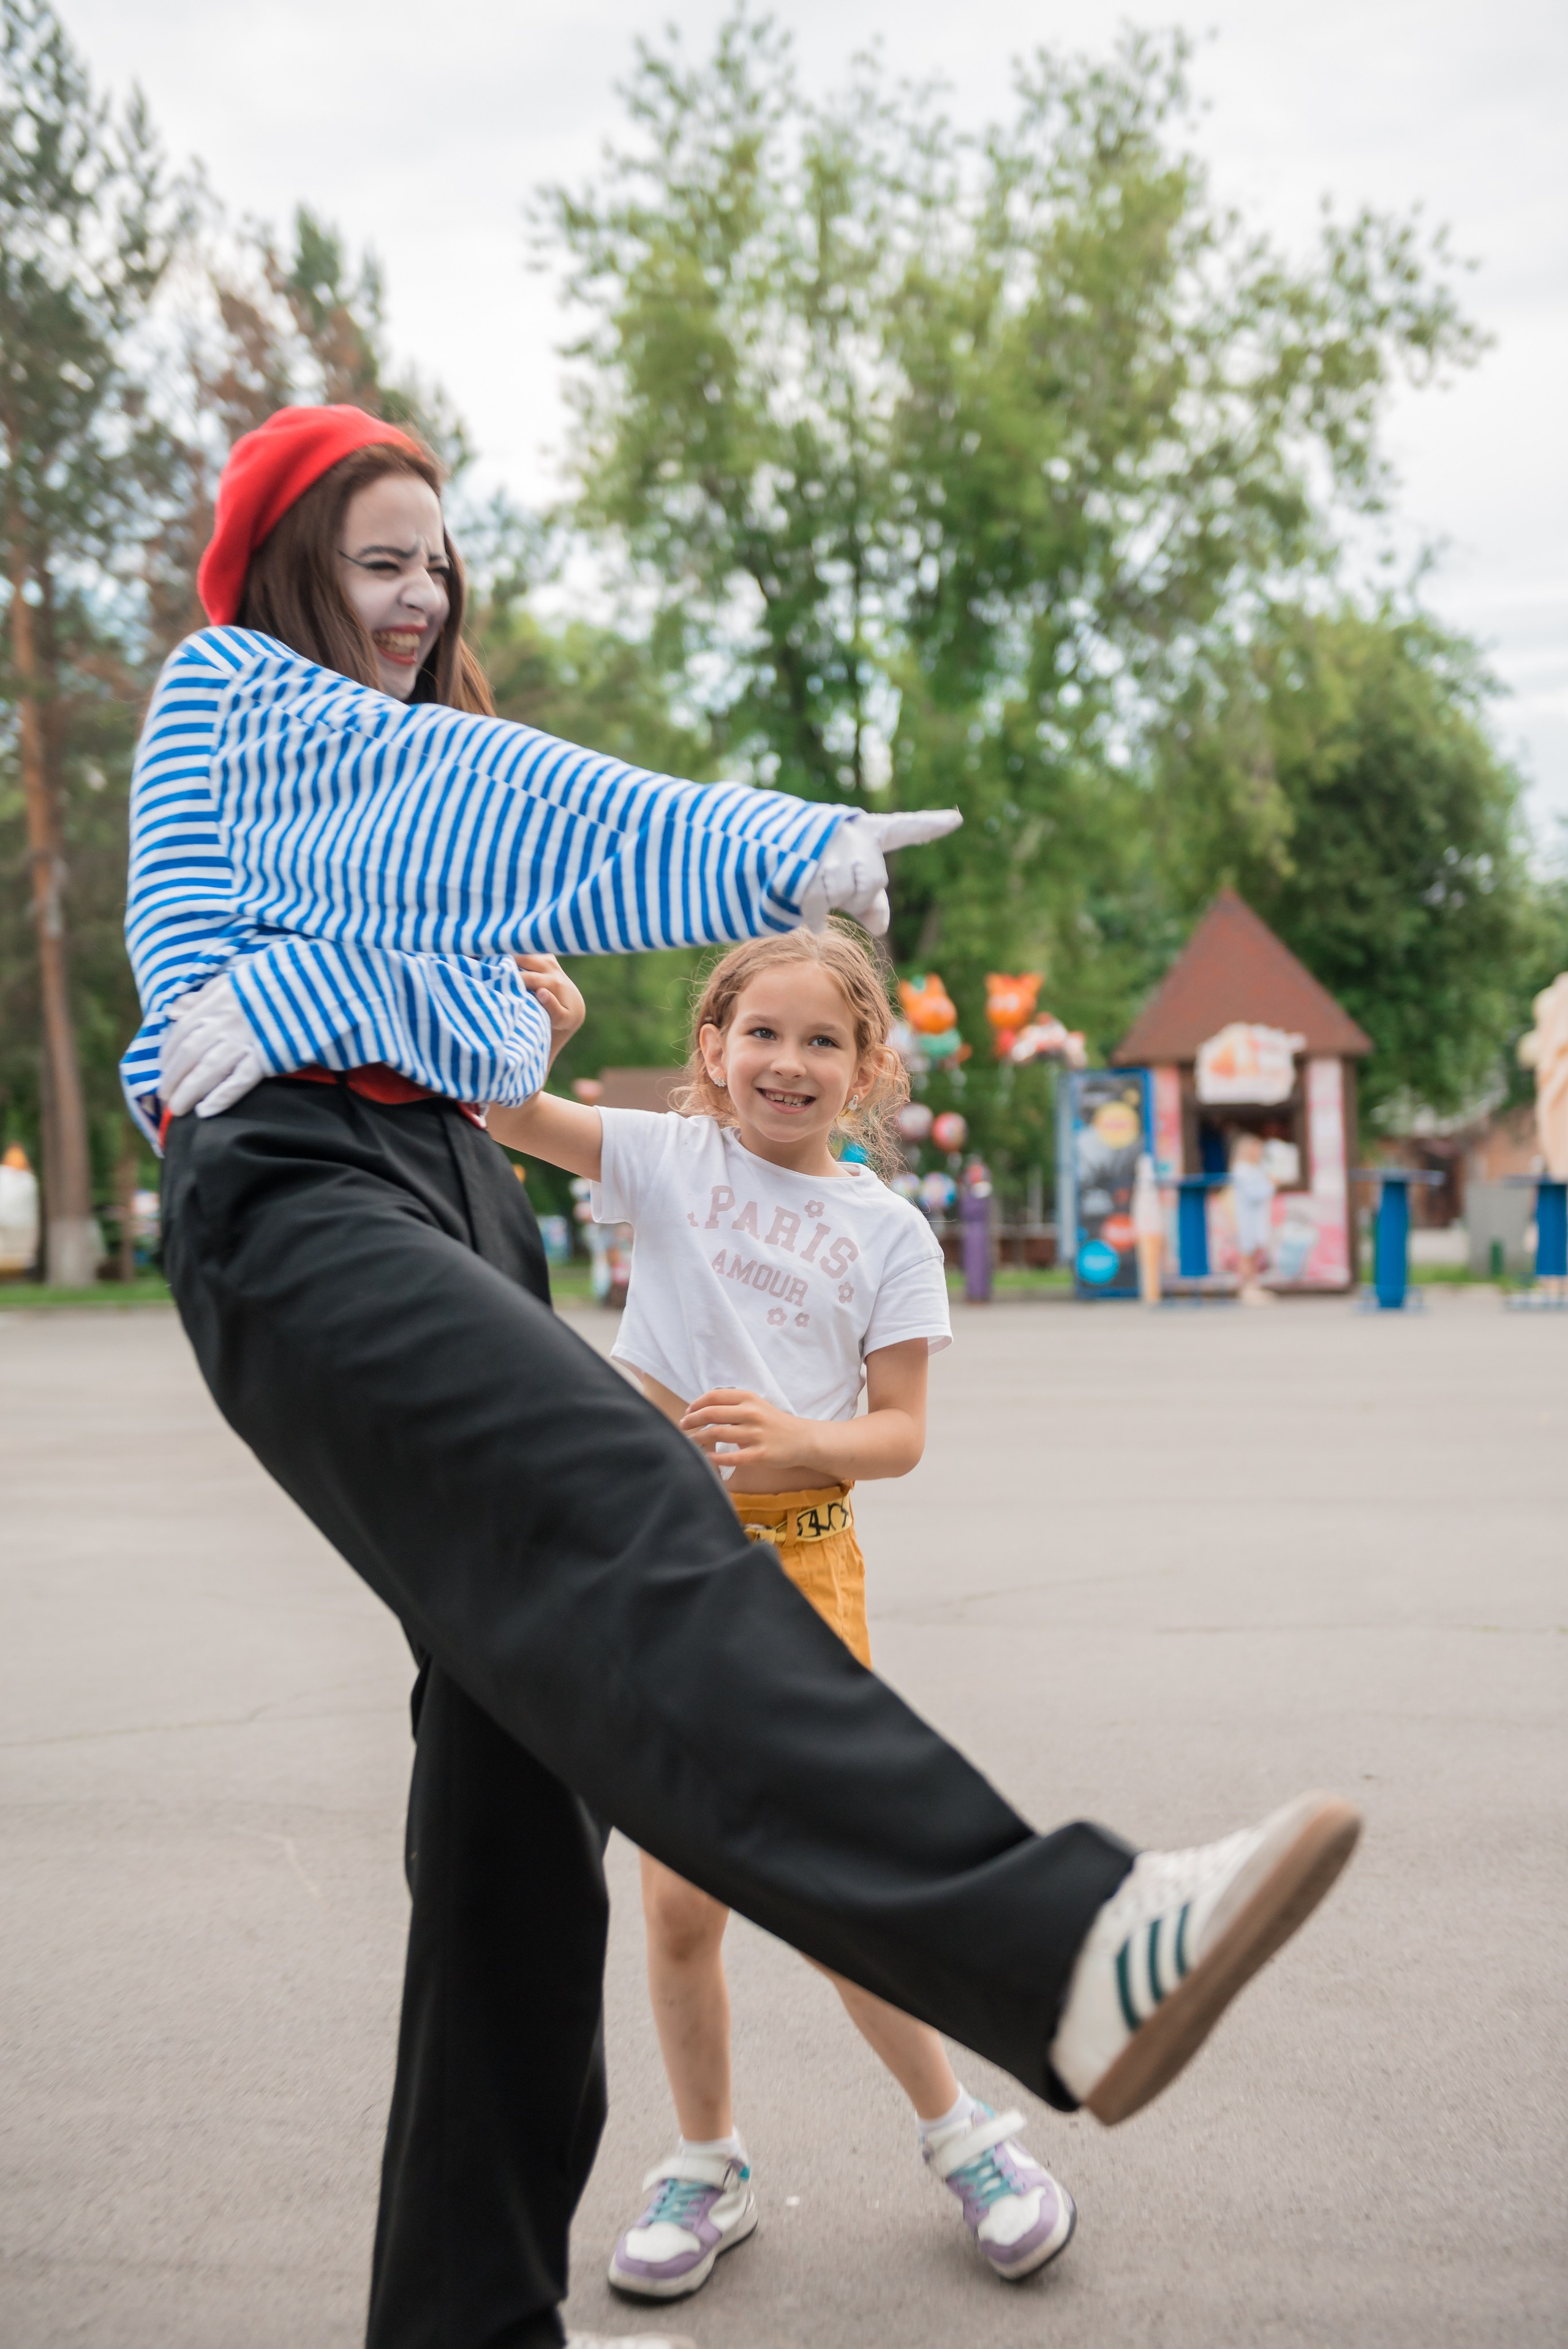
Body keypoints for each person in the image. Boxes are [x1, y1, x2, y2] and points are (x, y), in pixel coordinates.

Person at [129, 404, 1361, 2349]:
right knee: (618, 1498)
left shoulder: (376, 794)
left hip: (444, 1188)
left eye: (441, 562)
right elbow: (479, 808)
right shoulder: (234, 698)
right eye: (379, 558)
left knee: (518, 1816)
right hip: (297, 1198)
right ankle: (1056, 1948)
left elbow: (440, 931)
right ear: (287, 572)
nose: (420, 593)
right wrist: (777, 844)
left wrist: (436, 987)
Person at [491, 925, 1077, 2298]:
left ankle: (966, 2138)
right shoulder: (664, 1158)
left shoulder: (886, 1232)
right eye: (761, 1033)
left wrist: (798, 1441)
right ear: (711, 1046)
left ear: (867, 1068)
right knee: (683, 1904)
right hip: (648, 1563)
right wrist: (550, 1039)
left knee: (830, 1888)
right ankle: (708, 2167)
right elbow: (506, 1112)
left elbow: (899, 1436)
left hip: (803, 1567)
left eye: (824, 1042)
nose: (787, 1062)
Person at [1231, 1133, 1278, 1304]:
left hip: (1255, 1219)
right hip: (1247, 1219)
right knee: (1247, 1253)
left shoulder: (1255, 1169)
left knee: (1254, 1253)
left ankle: (1253, 1286)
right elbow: (1255, 1194)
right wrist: (1271, 1185)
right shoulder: (1242, 1171)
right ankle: (1247, 1289)